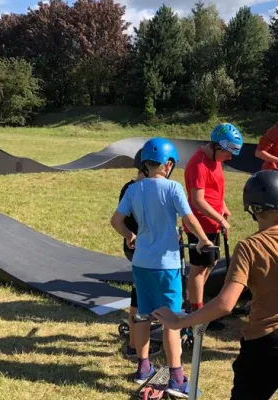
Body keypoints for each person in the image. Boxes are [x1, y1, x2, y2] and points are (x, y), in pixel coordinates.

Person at [153, 170, 278, 400]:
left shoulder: (248, 247)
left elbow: (225, 304)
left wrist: (179, 322)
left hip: (267, 341)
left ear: (253, 210)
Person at [111, 137, 214, 397]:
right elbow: (189, 219)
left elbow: (116, 220)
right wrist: (204, 239)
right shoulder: (173, 188)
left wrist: (129, 235)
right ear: (168, 164)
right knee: (172, 320)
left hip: (141, 263)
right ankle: (177, 379)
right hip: (166, 266)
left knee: (143, 315)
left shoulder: (134, 189)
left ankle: (143, 367)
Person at [183, 122, 243, 329]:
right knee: (199, 269)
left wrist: (223, 206)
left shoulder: (214, 160)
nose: (230, 158)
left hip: (213, 222)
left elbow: (215, 188)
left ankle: (197, 304)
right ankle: (197, 315)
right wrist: (220, 219)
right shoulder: (198, 164)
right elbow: (197, 200)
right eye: (228, 153)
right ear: (217, 146)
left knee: (210, 264)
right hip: (200, 225)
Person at [118, 149, 161, 359]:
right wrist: (130, 236)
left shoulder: (131, 187)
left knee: (141, 297)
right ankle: (134, 345)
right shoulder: (136, 189)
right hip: (140, 250)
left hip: (144, 249)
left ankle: (137, 339)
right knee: (138, 300)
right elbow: (119, 220)